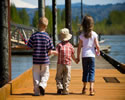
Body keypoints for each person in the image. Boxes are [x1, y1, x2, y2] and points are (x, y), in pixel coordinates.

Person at [27, 17, 57, 96]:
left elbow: (29, 46)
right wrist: (51, 52)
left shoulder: (34, 36)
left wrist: (27, 42)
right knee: (45, 74)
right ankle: (42, 85)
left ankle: (36, 92)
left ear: (38, 25)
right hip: (45, 60)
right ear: (46, 27)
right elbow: (50, 49)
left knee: (36, 75)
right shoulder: (47, 36)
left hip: (36, 60)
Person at [77, 15, 100, 96]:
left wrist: (78, 57)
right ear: (92, 24)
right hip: (92, 56)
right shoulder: (94, 34)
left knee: (85, 72)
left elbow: (79, 47)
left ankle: (84, 88)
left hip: (84, 56)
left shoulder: (81, 35)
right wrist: (98, 51)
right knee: (92, 71)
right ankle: (91, 89)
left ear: (83, 24)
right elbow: (97, 45)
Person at [55, 28, 78, 95]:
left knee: (58, 77)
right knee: (67, 77)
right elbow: (72, 55)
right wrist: (76, 60)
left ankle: (60, 87)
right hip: (68, 64)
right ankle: (65, 90)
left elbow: (56, 52)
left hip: (60, 64)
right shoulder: (70, 46)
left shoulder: (59, 45)